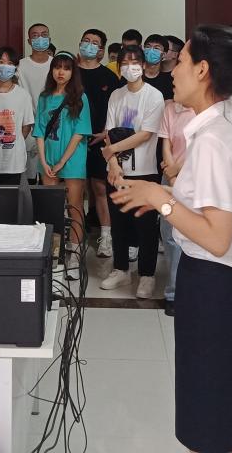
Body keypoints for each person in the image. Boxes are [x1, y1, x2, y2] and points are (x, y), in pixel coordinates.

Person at [113, 25, 232, 453]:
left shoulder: (215, 140)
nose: (172, 70)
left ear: (202, 70)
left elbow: (217, 238)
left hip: (216, 288)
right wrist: (160, 193)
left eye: (179, 61)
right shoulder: (224, 126)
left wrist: (159, 199)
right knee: (231, 426)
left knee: (212, 427)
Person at [100, 45, 165, 298]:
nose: (130, 67)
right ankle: (121, 269)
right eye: (125, 63)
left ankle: (147, 274)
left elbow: (146, 134)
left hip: (145, 171)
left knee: (145, 226)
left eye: (135, 62)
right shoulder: (116, 95)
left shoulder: (154, 96)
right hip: (116, 171)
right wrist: (114, 163)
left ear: (144, 65)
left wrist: (112, 149)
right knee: (119, 223)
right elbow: (109, 131)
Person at [34, 51, 92, 264]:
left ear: (73, 72)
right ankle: (54, 251)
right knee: (51, 208)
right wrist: (43, 160)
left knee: (75, 206)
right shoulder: (44, 97)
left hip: (72, 158)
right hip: (48, 158)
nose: (61, 72)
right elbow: (39, 131)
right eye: (57, 67)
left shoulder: (80, 97)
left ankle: (75, 253)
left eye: (66, 68)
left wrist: (62, 161)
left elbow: (79, 133)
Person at [77, 28, 119, 258]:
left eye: (94, 42)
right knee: (74, 189)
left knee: (100, 188)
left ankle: (106, 236)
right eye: (86, 41)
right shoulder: (70, 72)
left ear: (101, 49)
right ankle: (74, 237)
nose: (89, 45)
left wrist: (105, 133)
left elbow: (117, 109)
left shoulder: (109, 77)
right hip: (73, 141)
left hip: (100, 139)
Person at [158, 94, 195, 317]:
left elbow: (199, 148)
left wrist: (177, 171)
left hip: (194, 177)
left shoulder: (203, 108)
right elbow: (166, 144)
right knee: (169, 234)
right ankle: (173, 290)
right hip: (169, 177)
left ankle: (181, 291)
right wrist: (171, 176)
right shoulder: (170, 108)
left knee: (189, 236)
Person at [0, 46, 34, 185]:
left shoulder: (23, 95)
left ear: (16, 68)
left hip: (13, 163)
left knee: (10, 198)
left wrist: (12, 141)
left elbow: (26, 127)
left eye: (10, 63)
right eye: (1, 62)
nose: (5, 66)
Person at [17, 22, 54, 183]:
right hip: (28, 126)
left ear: (49, 39)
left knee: (50, 176)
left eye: (44, 35)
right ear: (29, 41)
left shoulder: (56, 65)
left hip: (53, 127)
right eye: (35, 35)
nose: (40, 38)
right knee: (29, 178)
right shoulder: (20, 66)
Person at [143, 33, 175, 100]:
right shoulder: (135, 75)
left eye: (156, 48)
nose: (151, 50)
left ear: (164, 54)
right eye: (148, 47)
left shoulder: (168, 81)